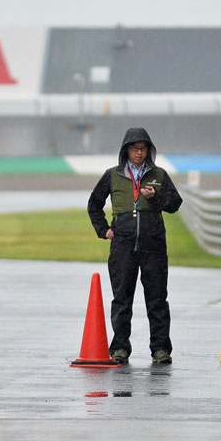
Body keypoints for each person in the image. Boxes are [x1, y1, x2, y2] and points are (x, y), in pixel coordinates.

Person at [87, 127, 183, 365]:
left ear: (149, 150)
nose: (139, 153)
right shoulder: (112, 175)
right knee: (121, 298)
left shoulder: (159, 174)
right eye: (134, 148)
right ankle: (120, 347)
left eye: (143, 148)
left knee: (157, 299)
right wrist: (103, 230)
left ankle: (160, 349)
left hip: (154, 245)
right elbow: (94, 204)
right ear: (126, 150)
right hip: (122, 245)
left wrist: (155, 198)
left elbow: (174, 204)